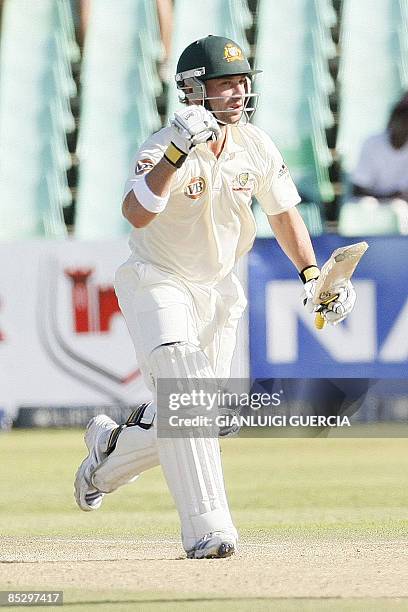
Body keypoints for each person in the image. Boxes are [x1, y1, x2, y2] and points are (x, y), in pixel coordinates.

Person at [74, 35, 356, 559]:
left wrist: (312, 275)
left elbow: (283, 211)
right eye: (224, 84)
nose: (236, 93)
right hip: (158, 279)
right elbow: (136, 213)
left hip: (220, 289)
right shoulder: (162, 145)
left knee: (206, 416)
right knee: (185, 389)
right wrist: (178, 152)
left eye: (241, 83)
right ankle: (208, 529)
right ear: (193, 91)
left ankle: (109, 456)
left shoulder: (255, 144)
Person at [352, 92, 408, 202]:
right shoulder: (372, 144)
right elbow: (359, 190)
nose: (405, 124)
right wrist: (389, 198)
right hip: (371, 210)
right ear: (393, 119)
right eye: (403, 117)